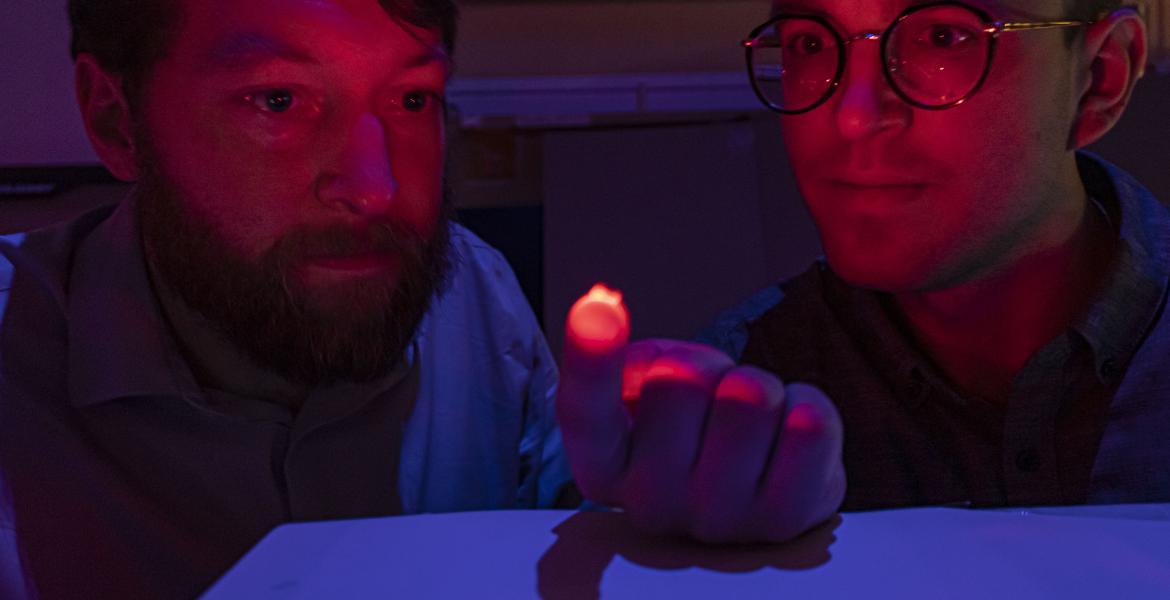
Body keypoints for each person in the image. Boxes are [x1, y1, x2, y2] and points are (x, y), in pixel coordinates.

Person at [0, 1, 564, 598]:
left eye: (411, 99)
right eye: (277, 100)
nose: (376, 188)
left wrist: (649, 517)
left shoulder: (477, 296)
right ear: (117, 121)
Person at [692, 0, 1170, 512]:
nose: (853, 116)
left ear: (1099, 78)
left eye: (943, 38)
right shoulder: (733, 401)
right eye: (810, 44)